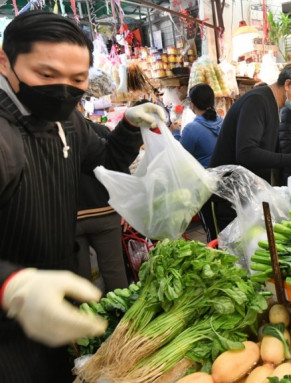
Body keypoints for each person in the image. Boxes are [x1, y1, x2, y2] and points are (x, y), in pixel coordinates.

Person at [0, 11, 166, 382]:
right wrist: (13, 286)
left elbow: (105, 163)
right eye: (46, 75)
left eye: (77, 79)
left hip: (51, 312)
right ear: (4, 61)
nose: (63, 89)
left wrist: (128, 126)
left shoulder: (68, 122)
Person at [205, 61, 291, 240]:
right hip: (225, 198)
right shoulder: (257, 101)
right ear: (289, 84)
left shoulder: (273, 106)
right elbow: (246, 153)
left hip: (244, 197)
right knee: (226, 254)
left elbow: (273, 151)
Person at [76, 120, 129, 293]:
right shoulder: (100, 130)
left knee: (80, 279)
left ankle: (87, 316)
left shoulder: (53, 133)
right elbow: (119, 168)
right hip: (106, 212)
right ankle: (123, 317)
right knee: (115, 270)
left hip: (72, 218)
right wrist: (125, 207)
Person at [172, 83, 222, 168]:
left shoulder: (192, 129)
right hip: (222, 174)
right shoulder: (221, 120)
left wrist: (176, 132)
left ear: (192, 104)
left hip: (204, 177)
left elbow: (180, 156)